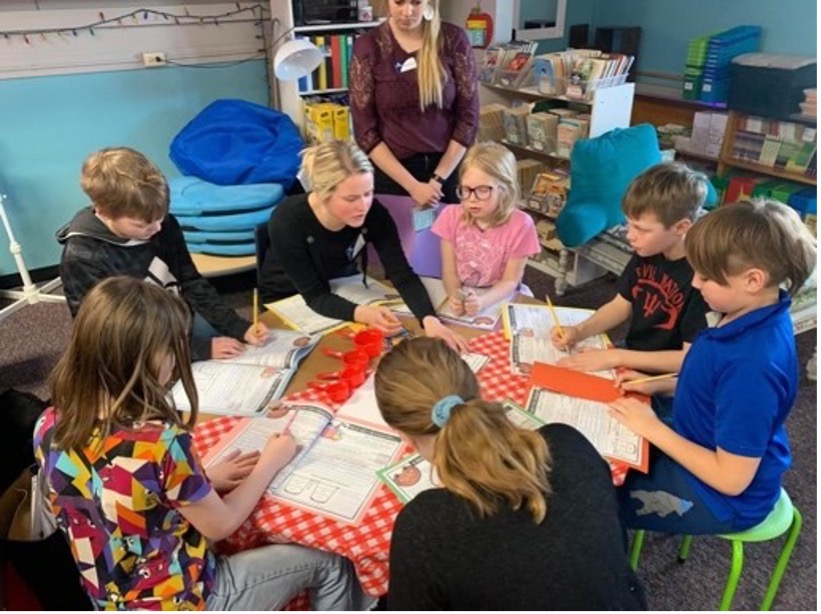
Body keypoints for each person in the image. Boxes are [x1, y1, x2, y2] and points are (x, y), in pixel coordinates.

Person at [33, 276, 371, 611]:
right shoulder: (160, 443)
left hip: (106, 598)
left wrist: (199, 479)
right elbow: (221, 525)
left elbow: (113, 492)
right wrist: (270, 462)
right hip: (184, 599)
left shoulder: (48, 423)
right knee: (333, 565)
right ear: (145, 359)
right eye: (171, 347)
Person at [373, 337, 647, 610]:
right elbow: (612, 540)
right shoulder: (566, 441)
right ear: (478, 390)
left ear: (401, 433)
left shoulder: (424, 526)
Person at [609, 200, 816, 535]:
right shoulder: (746, 311)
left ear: (752, 280)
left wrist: (653, 429)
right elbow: (711, 382)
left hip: (722, 496)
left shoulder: (752, 366)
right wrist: (659, 385)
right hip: (696, 436)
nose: (694, 284)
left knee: (594, 500)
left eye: (706, 277)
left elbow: (730, 479)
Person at [57, 147, 267, 362]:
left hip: (175, 321)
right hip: (133, 343)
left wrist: (237, 326)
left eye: (161, 217)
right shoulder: (82, 257)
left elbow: (191, 281)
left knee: (230, 344)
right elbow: (108, 334)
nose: (157, 228)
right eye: (143, 224)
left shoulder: (163, 224)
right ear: (104, 211)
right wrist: (197, 350)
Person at [258, 140, 467, 352]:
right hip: (288, 297)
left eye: (368, 193)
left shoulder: (374, 213)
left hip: (342, 285)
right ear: (322, 194)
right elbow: (314, 295)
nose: (362, 206)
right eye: (351, 198)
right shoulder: (287, 220)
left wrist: (429, 319)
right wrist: (363, 313)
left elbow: (401, 274)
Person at [349, 0, 479, 275]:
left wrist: (437, 180)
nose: (407, 11)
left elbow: (468, 119)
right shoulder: (368, 46)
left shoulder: (453, 39)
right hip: (391, 173)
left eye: (416, 2)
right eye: (399, 2)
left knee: (443, 262)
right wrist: (413, 186)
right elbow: (365, 130)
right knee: (390, 266)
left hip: (446, 171)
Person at [550, 162, 711, 376]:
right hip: (632, 353)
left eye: (641, 229)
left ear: (681, 227)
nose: (630, 235)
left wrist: (617, 357)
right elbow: (621, 305)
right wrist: (579, 331)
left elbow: (688, 359)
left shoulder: (703, 278)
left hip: (665, 379)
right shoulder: (649, 248)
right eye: (629, 224)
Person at [431, 142, 540, 316]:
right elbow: (449, 271)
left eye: (483, 190)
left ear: (505, 189)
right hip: (463, 290)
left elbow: (510, 280)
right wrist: (454, 295)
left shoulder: (522, 225)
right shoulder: (450, 216)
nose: (472, 199)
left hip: (499, 295)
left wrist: (483, 301)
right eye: (466, 189)